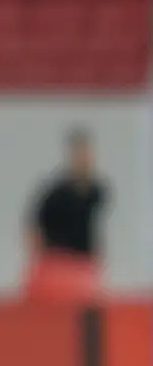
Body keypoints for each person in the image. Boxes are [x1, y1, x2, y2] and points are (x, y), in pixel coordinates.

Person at [26, 128, 108, 303]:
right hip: (57, 264)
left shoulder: (96, 191)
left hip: (84, 265)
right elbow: (35, 227)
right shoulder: (56, 195)